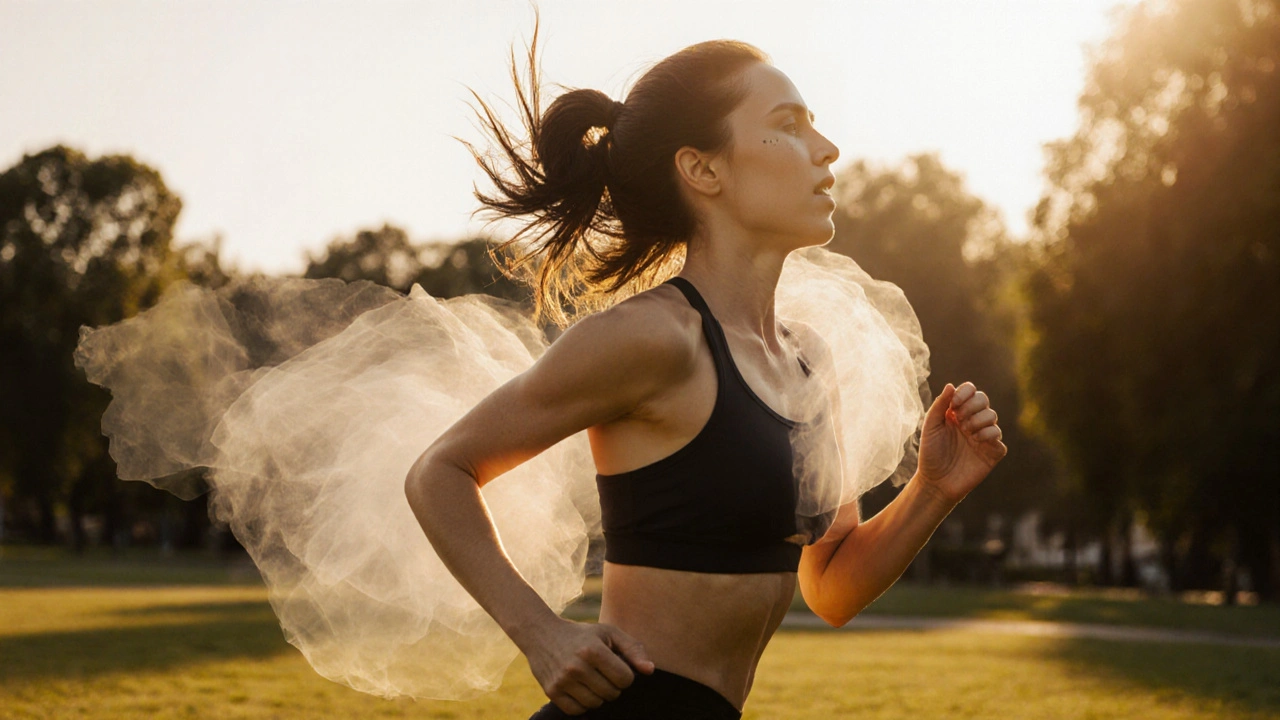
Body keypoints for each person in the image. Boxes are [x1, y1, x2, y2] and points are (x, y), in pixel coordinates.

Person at [401, 18, 1008, 719]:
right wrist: (541, 635)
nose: (827, 149)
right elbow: (438, 472)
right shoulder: (654, 339)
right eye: (789, 124)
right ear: (702, 168)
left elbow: (832, 586)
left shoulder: (808, 360)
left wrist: (934, 490)